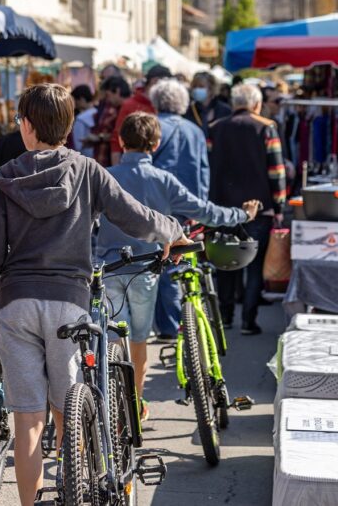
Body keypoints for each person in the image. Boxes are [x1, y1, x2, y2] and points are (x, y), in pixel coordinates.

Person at [0, 84, 188, 506]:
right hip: (69, 304)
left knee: (27, 422)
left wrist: (9, 272)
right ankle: (76, 489)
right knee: (68, 413)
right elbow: (135, 216)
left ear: (28, 126)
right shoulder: (87, 170)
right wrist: (174, 232)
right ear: (69, 127)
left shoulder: (5, 179)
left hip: (17, 302)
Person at [98, 112, 259, 417]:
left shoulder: (105, 176)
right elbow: (205, 211)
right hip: (145, 270)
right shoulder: (163, 180)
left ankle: (110, 406)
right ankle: (135, 406)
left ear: (120, 141)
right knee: (139, 340)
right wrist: (242, 215)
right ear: (155, 144)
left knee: (111, 340)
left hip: (109, 268)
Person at [207, 83, 286, 335]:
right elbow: (277, 170)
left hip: (220, 207)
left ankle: (226, 316)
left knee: (226, 262)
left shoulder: (214, 129)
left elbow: (206, 168)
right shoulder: (266, 127)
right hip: (259, 208)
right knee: (254, 265)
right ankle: (248, 321)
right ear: (257, 104)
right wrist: (279, 204)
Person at [149, 78, 211, 339]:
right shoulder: (194, 130)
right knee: (175, 260)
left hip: (154, 203)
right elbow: (203, 170)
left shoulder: (153, 127)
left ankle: (166, 323)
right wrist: (202, 207)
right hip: (186, 205)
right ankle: (172, 323)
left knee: (154, 261)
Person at [110, 65, 170, 165]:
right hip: (131, 168)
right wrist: (116, 172)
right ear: (154, 81)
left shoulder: (166, 105)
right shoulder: (130, 104)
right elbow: (117, 139)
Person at [90, 74, 130, 167]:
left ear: (117, 91)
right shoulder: (114, 108)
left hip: (115, 163)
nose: (107, 99)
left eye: (108, 95)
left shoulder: (125, 109)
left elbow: (121, 136)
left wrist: (100, 137)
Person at [187, 71, 231, 135]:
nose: (196, 89)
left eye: (201, 86)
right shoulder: (189, 110)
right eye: (194, 86)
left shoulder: (225, 110)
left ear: (211, 89)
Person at [70, 84, 98, 158]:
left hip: (85, 158)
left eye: (76, 100)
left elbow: (77, 145)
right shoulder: (99, 113)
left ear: (82, 99)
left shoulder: (80, 119)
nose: (75, 104)